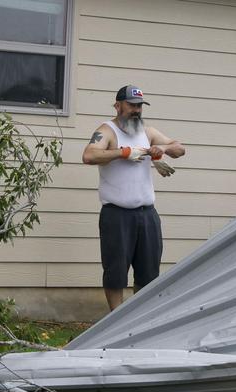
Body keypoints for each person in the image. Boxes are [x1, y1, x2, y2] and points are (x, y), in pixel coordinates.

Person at [82, 85, 185, 311]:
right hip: (116, 215)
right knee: (115, 273)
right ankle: (115, 320)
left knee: (149, 273)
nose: (136, 110)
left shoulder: (147, 132)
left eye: (139, 106)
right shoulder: (107, 131)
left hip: (147, 214)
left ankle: (139, 320)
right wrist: (124, 153)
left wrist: (160, 149)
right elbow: (89, 155)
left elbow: (180, 148)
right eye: (131, 105)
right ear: (118, 106)